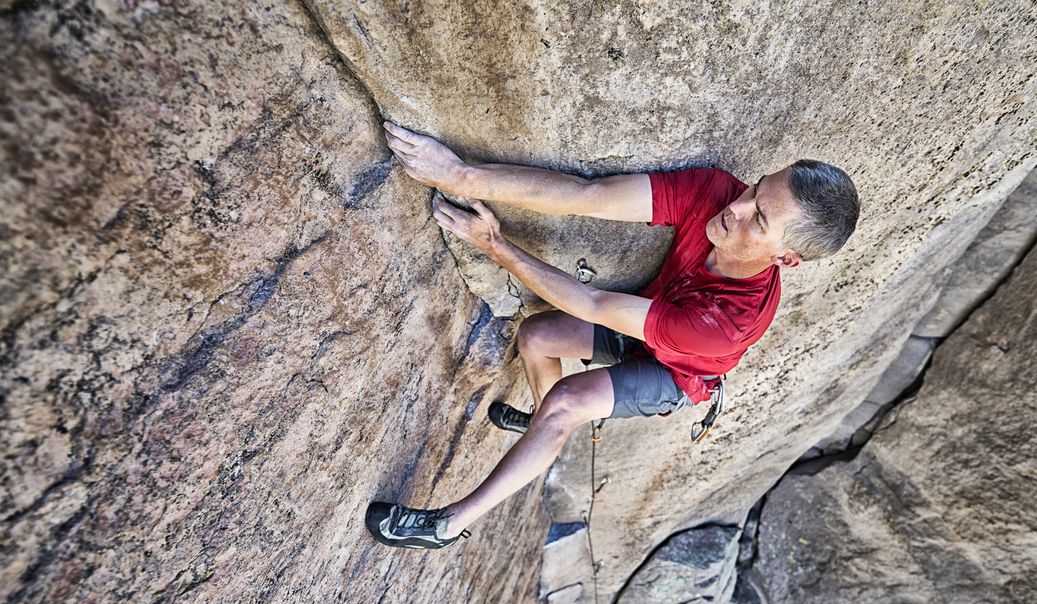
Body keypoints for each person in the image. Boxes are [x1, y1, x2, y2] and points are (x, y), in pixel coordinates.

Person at [365, 122, 860, 549]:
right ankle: (542, 428)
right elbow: (588, 195)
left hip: (677, 370)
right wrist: (461, 175)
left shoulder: (728, 321)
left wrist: (495, 244)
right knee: (536, 336)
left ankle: (447, 526)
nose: (738, 206)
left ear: (785, 259)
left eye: (760, 218)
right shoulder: (717, 194)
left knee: (566, 402)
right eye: (756, 188)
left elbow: (594, 304)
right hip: (650, 317)